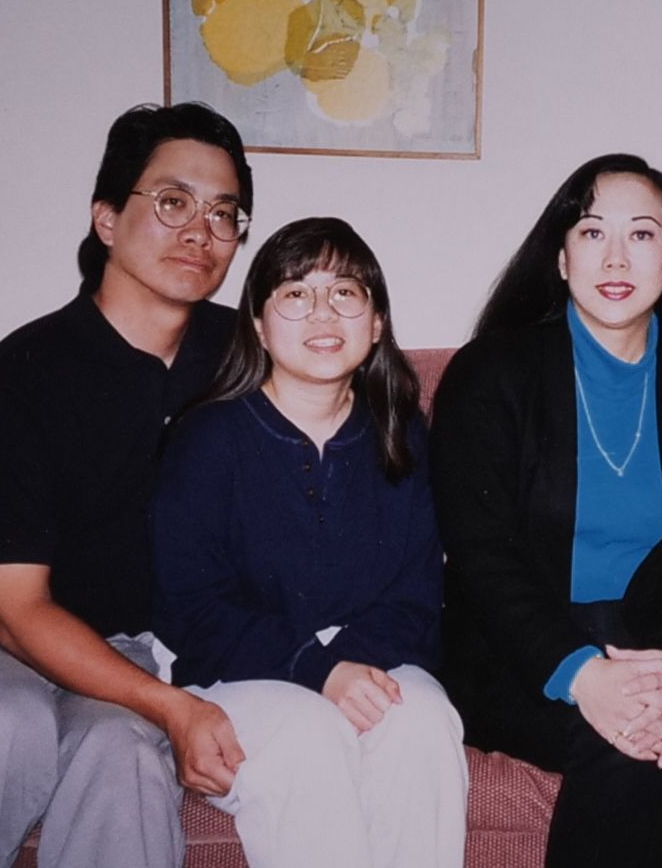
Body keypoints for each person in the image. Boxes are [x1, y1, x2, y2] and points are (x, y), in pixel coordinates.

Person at [0, 102, 255, 868]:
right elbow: (17, 614)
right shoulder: (23, 373)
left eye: (223, 213)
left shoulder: (245, 359)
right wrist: (172, 705)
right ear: (107, 219)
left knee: (124, 752)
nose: (200, 231)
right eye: (173, 201)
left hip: (128, 649)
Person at [430, 153, 662, 868]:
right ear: (561, 258)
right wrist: (584, 676)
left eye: (641, 234)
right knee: (618, 741)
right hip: (518, 653)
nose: (616, 257)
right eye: (592, 233)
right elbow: (482, 556)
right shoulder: (490, 373)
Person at [149, 217, 467, 868]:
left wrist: (345, 667)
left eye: (345, 292)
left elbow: (416, 592)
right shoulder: (208, 438)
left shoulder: (400, 433)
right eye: (296, 293)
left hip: (371, 657)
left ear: (375, 323)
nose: (322, 312)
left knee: (423, 723)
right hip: (232, 673)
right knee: (308, 734)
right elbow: (191, 608)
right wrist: (317, 672)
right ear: (259, 326)